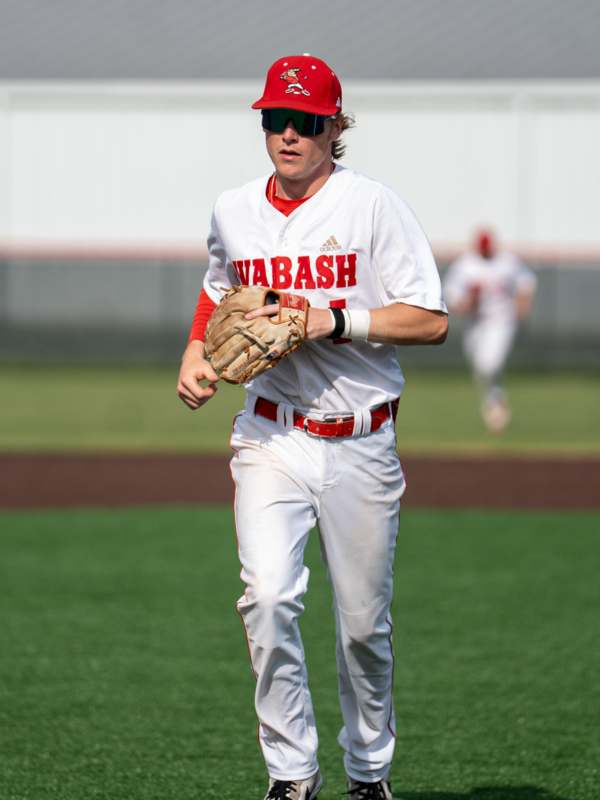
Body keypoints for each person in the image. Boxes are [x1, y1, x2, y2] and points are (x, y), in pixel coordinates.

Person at [177, 54, 448, 800]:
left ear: (335, 127)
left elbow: (429, 320)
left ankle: (368, 774)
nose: (288, 134)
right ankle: (291, 776)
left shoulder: (371, 207)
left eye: (305, 121)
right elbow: (218, 292)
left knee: (363, 629)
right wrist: (196, 352)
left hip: (361, 439)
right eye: (275, 119)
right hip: (270, 437)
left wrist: (333, 319)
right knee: (266, 596)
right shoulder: (234, 210)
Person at [443, 229, 537, 433]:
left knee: (489, 364)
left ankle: (495, 407)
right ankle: (495, 403)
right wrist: (469, 301)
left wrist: (522, 303)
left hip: (501, 321)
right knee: (479, 368)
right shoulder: (465, 265)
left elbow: (527, 281)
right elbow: (454, 299)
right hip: (475, 322)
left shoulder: (506, 261)